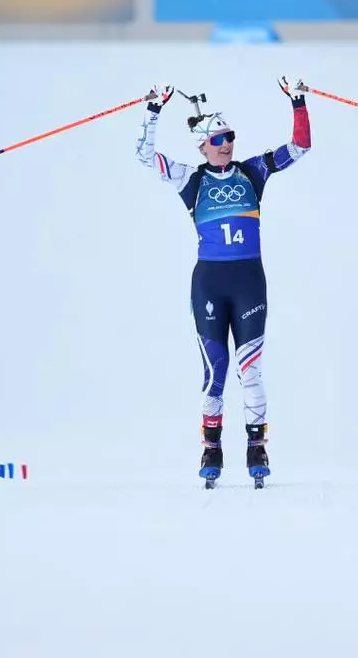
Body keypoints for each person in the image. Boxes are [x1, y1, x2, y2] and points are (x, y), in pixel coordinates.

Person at [135, 77, 312, 485]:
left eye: (229, 136)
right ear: (202, 146)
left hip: (249, 281)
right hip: (210, 285)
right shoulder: (191, 181)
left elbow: (300, 146)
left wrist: (298, 102)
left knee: (250, 371)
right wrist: (153, 110)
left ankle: (256, 446)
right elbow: (145, 156)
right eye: (217, 139)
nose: (226, 144)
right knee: (216, 371)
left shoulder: (253, 172)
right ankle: (211, 446)